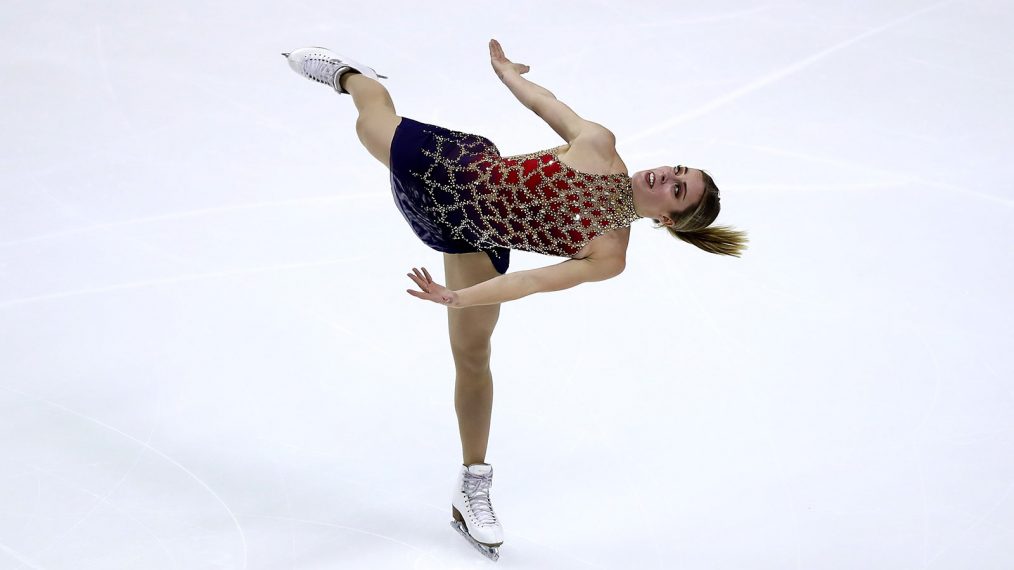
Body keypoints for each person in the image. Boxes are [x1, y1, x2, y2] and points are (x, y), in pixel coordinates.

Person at [283, 41, 747, 561]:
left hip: (470, 238)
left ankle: (472, 484)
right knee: (370, 120)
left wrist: (459, 297)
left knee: (473, 354)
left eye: (677, 190)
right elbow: (544, 103)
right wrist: (507, 74)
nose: (667, 175)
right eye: (676, 169)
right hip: (450, 167)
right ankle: (349, 73)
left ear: (666, 219)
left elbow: (530, 282)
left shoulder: (609, 253)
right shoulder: (599, 145)